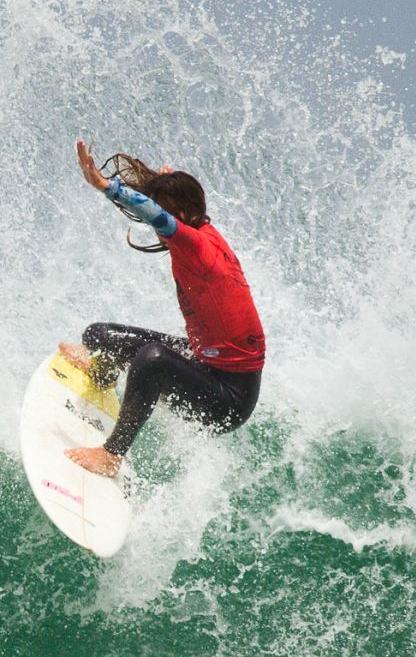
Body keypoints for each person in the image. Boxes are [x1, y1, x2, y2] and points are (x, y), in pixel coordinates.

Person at [59, 140, 265, 477]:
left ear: (181, 216)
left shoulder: (198, 245)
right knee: (98, 335)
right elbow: (169, 207)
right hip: (205, 363)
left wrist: (103, 185)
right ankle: (103, 375)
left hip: (227, 399)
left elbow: (155, 214)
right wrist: (165, 181)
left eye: (165, 215)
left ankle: (111, 456)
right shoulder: (197, 226)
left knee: (152, 359)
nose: (157, 225)